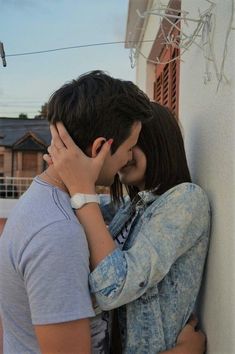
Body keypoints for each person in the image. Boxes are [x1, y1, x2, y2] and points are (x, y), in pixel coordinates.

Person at [0, 71, 202, 354]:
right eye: (129, 147)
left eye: (134, 147)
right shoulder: (57, 232)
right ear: (99, 148)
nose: (128, 157)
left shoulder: (48, 206)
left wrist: (80, 185)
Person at [45, 101, 210, 353]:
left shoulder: (186, 199)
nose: (125, 155)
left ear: (159, 142)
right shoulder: (133, 205)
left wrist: (82, 192)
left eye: (133, 144)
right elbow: (76, 204)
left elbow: (115, 288)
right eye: (122, 145)